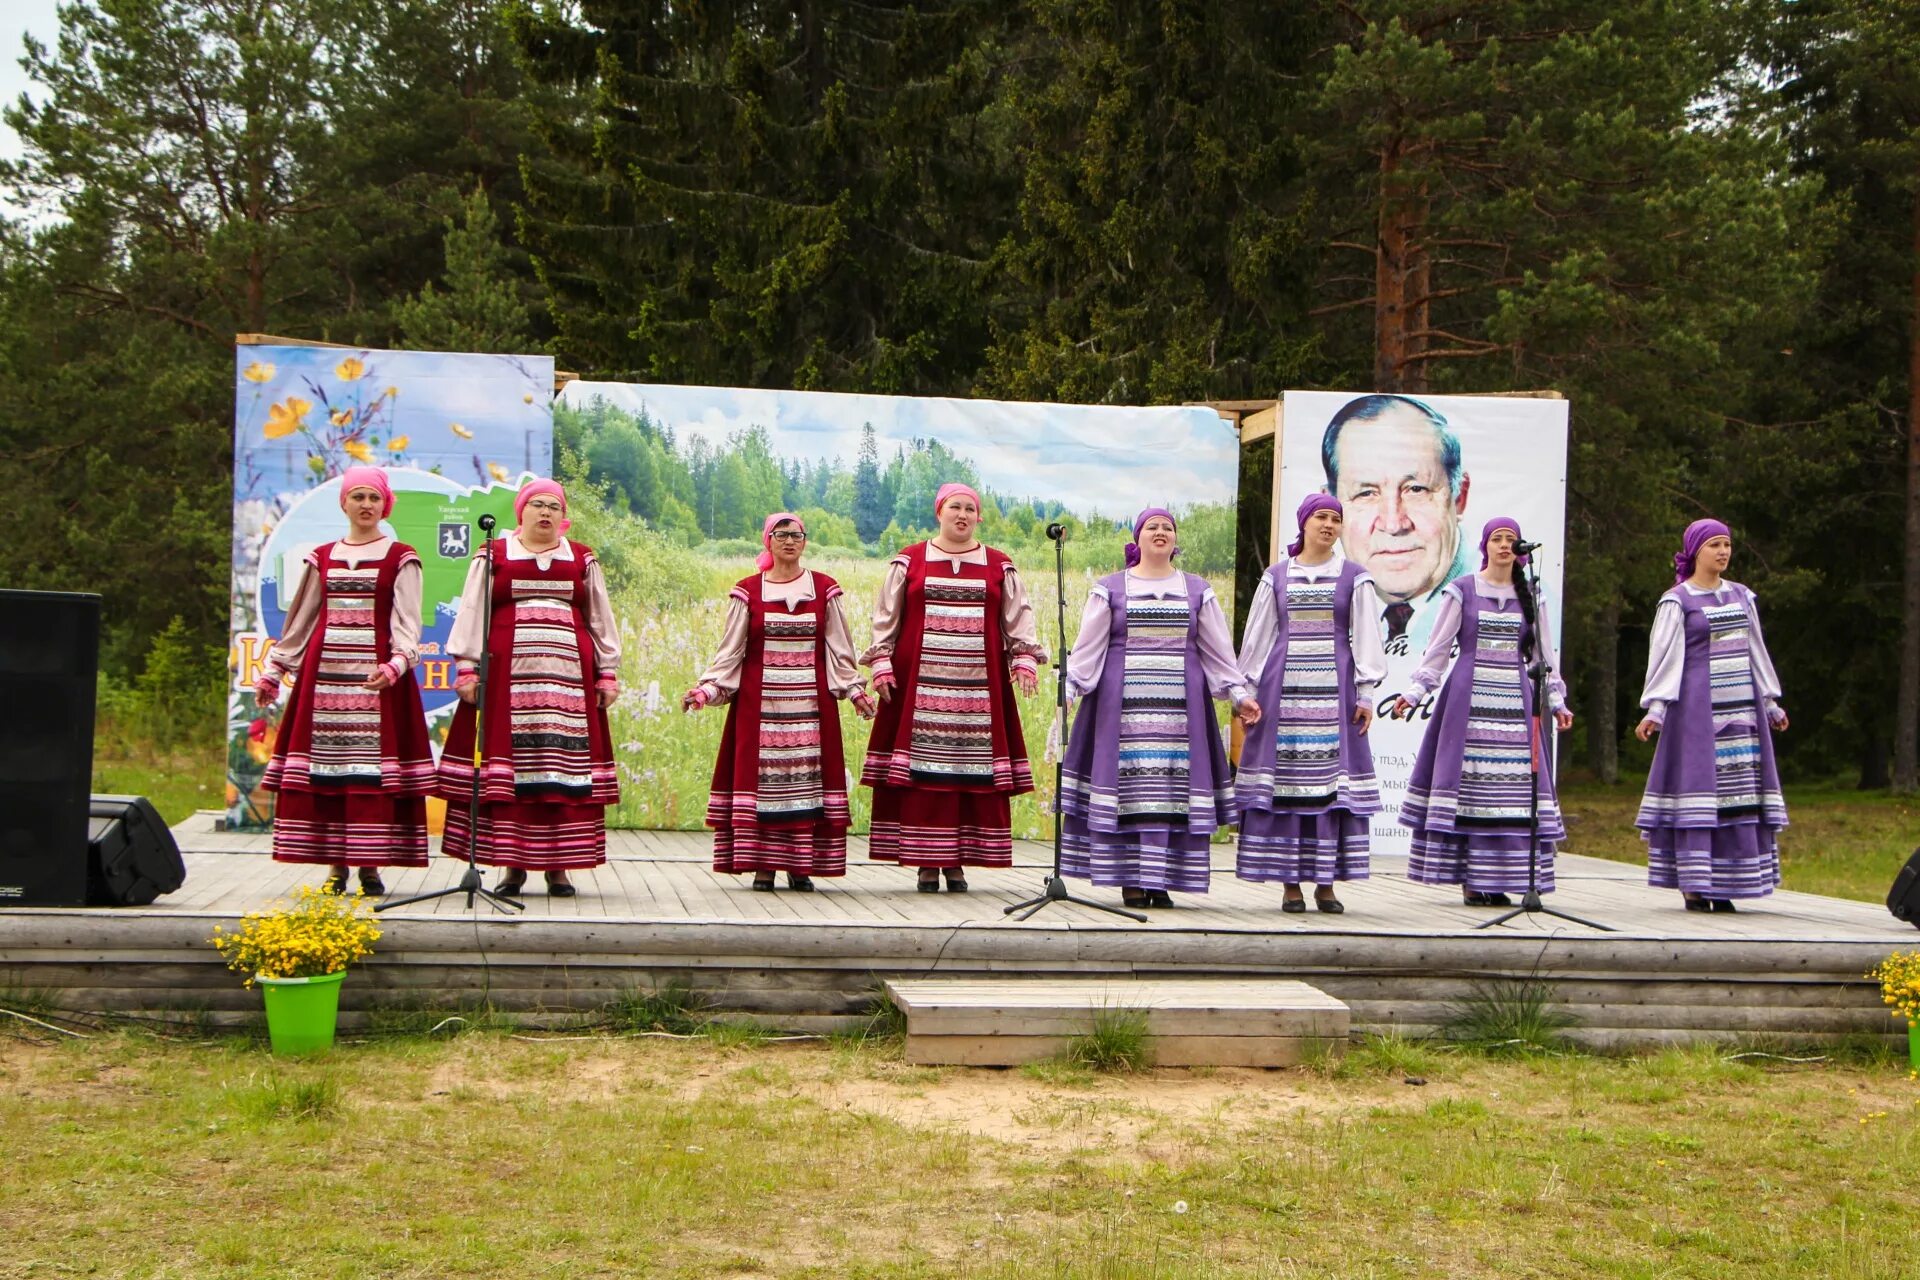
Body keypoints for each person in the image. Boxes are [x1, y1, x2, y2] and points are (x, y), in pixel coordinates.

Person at [1057, 508, 1254, 908]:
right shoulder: (1110, 588)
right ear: (1138, 539)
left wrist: (1238, 694)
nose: (1161, 532)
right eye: (1153, 527)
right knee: (1129, 789)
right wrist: (1072, 687)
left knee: (1170, 791)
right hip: (1121, 706)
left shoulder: (1197, 590)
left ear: (1174, 540)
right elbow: (1090, 645)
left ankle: (1160, 878)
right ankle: (1131, 878)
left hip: (1182, 711)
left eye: (1168, 527)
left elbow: (1216, 650)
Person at [435, 479, 620, 897]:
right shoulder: (494, 554)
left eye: (554, 506)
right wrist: (466, 667)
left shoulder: (582, 558)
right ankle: (512, 867)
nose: (546, 512)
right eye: (537, 504)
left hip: (568, 687)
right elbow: (471, 610)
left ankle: (558, 868)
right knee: (513, 774)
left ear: (563, 515)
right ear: (520, 511)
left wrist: (606, 671)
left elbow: (599, 616)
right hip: (507, 683)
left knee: (560, 774)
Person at [255, 466, 433, 894]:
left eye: (374, 498)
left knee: (370, 775)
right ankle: (335, 867)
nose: (366, 505)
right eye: (358, 497)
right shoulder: (323, 556)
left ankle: (370, 866)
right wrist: (275, 671)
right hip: (325, 680)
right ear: (345, 504)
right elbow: (300, 620)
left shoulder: (400, 556)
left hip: (378, 683)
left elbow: (408, 621)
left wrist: (396, 663)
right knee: (328, 772)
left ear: (385, 504)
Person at [861, 482, 1045, 891]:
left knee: (966, 774)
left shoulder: (999, 564)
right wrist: (881, 663)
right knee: (924, 775)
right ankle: (927, 861)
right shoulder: (910, 560)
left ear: (978, 517)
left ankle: (957, 860)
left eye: (969, 509)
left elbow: (1018, 619)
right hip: (918, 686)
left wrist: (1024, 659)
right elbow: (886, 616)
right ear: (939, 512)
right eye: (954, 507)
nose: (961, 515)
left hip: (979, 691)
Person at [684, 513, 876, 891]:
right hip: (759, 711)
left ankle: (800, 866)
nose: (789, 541)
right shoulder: (748, 591)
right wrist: (705, 691)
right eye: (781, 534)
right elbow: (730, 654)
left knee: (805, 787)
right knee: (764, 788)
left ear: (805, 543)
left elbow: (840, 651)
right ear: (767, 541)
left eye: (796, 535)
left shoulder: (824, 590)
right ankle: (763, 868)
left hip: (810, 711)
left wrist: (855, 692)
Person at [1392, 518, 1573, 906]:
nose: (1505, 546)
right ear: (1485, 546)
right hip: (1468, 703)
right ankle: (1473, 879)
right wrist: (1416, 691)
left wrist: (1556, 701)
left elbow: (1544, 656)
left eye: (1511, 540)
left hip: (1514, 702)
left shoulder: (1532, 595)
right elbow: (1438, 648)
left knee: (1510, 793)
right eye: (1497, 539)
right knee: (1472, 789)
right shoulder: (1463, 590)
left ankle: (1503, 876)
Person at [1234, 494, 1386, 913]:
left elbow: (1367, 638)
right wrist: (1244, 690)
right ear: (1303, 523)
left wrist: (1366, 693)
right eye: (1321, 516)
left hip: (1333, 696)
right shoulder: (1277, 576)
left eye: (1336, 518)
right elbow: (1259, 636)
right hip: (1282, 694)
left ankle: (1325, 884)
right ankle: (1290, 884)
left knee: (1330, 788)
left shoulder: (1354, 577)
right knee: (1285, 785)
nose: (1328, 524)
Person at [1633, 519, 1789, 912]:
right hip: (1697, 710)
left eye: (1727, 545)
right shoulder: (1678, 600)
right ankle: (1696, 884)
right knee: (1700, 793)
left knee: (1737, 794)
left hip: (1742, 713)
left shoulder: (1741, 596)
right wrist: (1656, 708)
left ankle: (1727, 881)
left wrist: (1770, 702)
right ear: (1695, 552)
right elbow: (1666, 657)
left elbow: (1756, 649)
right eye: (1714, 545)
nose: (1723, 552)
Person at [1320, 394, 1472, 647]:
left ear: (1459, 497)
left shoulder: (1517, 603)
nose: (1393, 524)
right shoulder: (1307, 600)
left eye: (1416, 489)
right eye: (1366, 493)